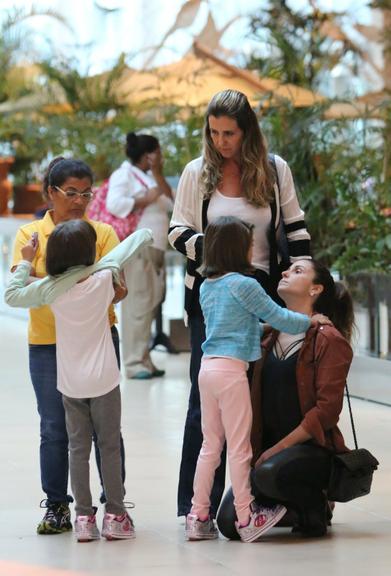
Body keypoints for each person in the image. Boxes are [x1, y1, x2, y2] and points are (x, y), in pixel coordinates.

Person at [168, 89, 311, 517]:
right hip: (210, 298)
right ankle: (200, 507)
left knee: (265, 397)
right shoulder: (197, 172)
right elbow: (177, 231)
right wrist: (216, 255)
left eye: (229, 133)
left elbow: (297, 228)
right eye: (213, 133)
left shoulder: (273, 169)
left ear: (247, 131)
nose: (220, 141)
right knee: (205, 402)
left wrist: (305, 279)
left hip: (265, 296)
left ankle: (262, 499)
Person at [185, 217, 330, 543]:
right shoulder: (245, 285)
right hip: (231, 373)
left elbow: (233, 325)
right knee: (239, 449)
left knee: (210, 446)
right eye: (250, 244)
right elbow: (278, 316)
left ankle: (198, 515)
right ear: (239, 249)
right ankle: (247, 516)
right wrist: (310, 321)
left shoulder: (208, 285)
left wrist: (260, 329)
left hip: (207, 369)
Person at [10, 157, 128, 535]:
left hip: (99, 341)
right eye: (71, 193)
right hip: (47, 345)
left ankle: (115, 507)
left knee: (106, 431)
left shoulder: (103, 232)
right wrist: (80, 280)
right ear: (51, 193)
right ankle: (59, 506)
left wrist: (50, 278)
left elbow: (117, 288)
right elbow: (24, 288)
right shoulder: (29, 235)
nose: (79, 200)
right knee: (54, 428)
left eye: (85, 193)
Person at [216, 259, 354, 539]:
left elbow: (326, 412)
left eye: (297, 271)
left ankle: (315, 506)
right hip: (269, 456)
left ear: (316, 289)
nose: (285, 272)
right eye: (288, 269)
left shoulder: (328, 339)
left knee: (269, 471)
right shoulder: (267, 338)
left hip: (313, 451)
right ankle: (287, 503)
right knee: (229, 523)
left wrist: (278, 449)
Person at [106, 132, 173, 380]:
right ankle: (134, 363)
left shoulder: (147, 176)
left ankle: (144, 359)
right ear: (148, 154)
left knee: (150, 302)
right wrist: (145, 198)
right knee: (138, 304)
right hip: (137, 248)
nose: (162, 156)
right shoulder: (124, 174)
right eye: (158, 151)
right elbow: (115, 204)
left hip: (154, 248)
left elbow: (170, 201)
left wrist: (157, 176)